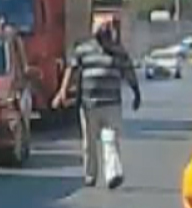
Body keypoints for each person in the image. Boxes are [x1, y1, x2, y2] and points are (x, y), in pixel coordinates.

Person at [56, 22, 140, 189]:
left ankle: (112, 174)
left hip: (111, 104)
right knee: (89, 144)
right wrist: (62, 92)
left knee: (110, 140)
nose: (105, 38)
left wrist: (136, 92)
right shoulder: (83, 50)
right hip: (88, 105)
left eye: (107, 33)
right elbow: (71, 70)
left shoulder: (119, 51)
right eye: (102, 34)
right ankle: (90, 175)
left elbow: (128, 71)